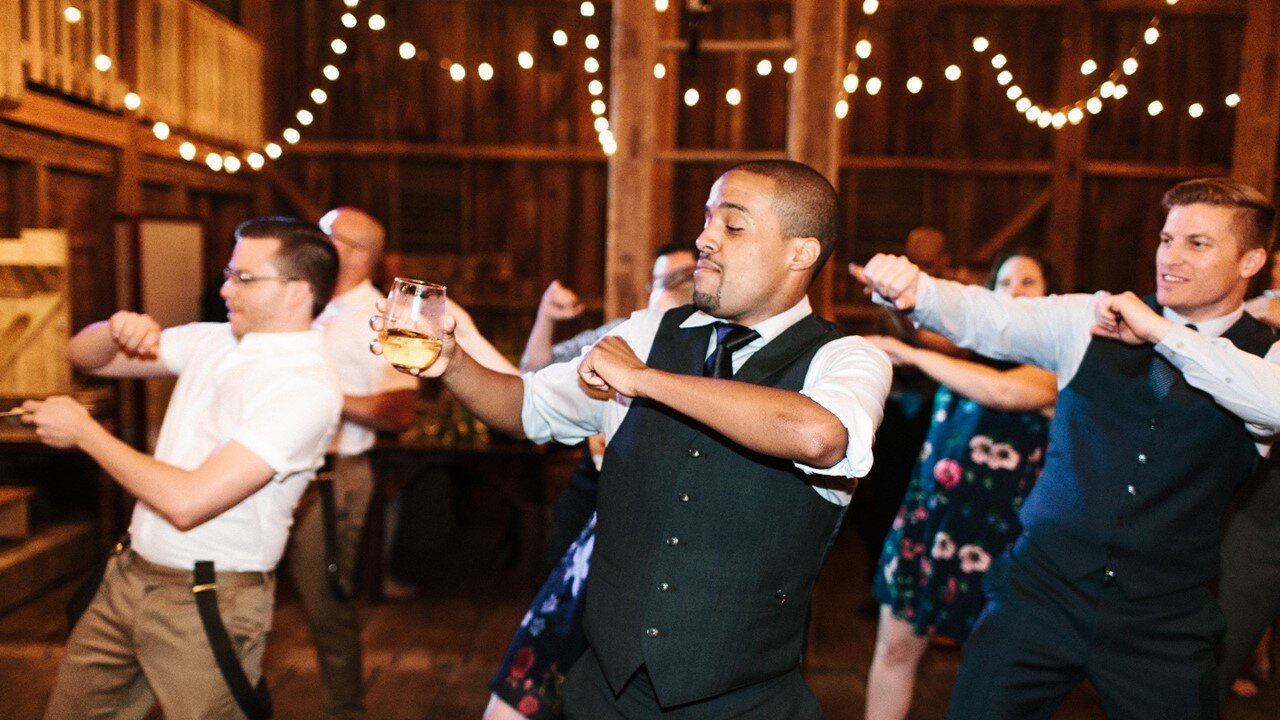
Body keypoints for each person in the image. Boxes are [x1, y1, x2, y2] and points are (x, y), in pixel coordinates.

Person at [381, 160, 890, 717]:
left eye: (733, 226)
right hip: (605, 693)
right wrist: (450, 362)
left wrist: (645, 380)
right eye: (706, 220)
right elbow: (526, 407)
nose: (705, 238)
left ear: (802, 252)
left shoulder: (846, 358)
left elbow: (818, 436)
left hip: (745, 704)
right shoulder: (647, 333)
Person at [857, 177, 1280, 719]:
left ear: (1251, 261)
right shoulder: (1090, 320)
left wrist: (1160, 333)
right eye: (1166, 239)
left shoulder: (1264, 356)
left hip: (1164, 619)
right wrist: (919, 291)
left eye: (1197, 244)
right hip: (1040, 596)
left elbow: (1268, 407)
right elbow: (997, 318)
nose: (1170, 257)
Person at [26, 218, 343, 720]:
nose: (224, 288)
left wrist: (85, 433)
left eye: (244, 278)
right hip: (128, 575)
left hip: (208, 598)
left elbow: (187, 504)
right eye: (228, 273)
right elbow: (85, 358)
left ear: (296, 292)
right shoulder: (211, 341)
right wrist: (112, 331)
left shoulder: (306, 388)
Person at [484, 243, 697, 720]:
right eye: (661, 278)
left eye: (682, 276)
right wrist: (545, 314)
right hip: (592, 491)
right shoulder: (623, 332)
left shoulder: (710, 344)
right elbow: (534, 375)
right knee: (560, 608)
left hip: (658, 506)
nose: (670, 285)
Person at [862, 251, 1059, 720]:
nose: (1014, 290)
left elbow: (1002, 391)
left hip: (1000, 542)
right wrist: (895, 301)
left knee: (991, 672)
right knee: (894, 650)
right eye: (1004, 282)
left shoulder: (1055, 366)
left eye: (1028, 281)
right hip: (928, 524)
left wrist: (913, 356)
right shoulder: (969, 352)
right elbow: (916, 328)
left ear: (1051, 297)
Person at [276, 207, 420, 720]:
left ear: (356, 252)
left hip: (334, 475)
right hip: (265, 468)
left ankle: (345, 712)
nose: (312, 241)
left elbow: (399, 411)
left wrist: (319, 396)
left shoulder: (389, 318)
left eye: (325, 235)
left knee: (326, 606)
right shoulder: (295, 301)